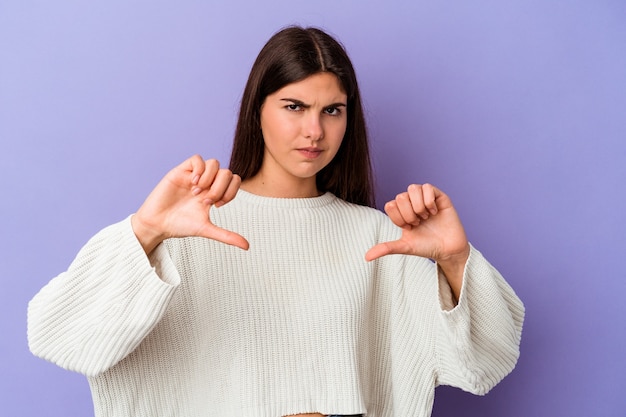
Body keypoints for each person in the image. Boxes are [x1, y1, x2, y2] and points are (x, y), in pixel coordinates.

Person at [27, 26, 524, 417]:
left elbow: (485, 363)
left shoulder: (378, 238)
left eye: (333, 110)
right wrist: (145, 232)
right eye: (294, 107)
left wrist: (455, 260)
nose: (315, 130)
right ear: (257, 111)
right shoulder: (193, 225)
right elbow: (57, 334)